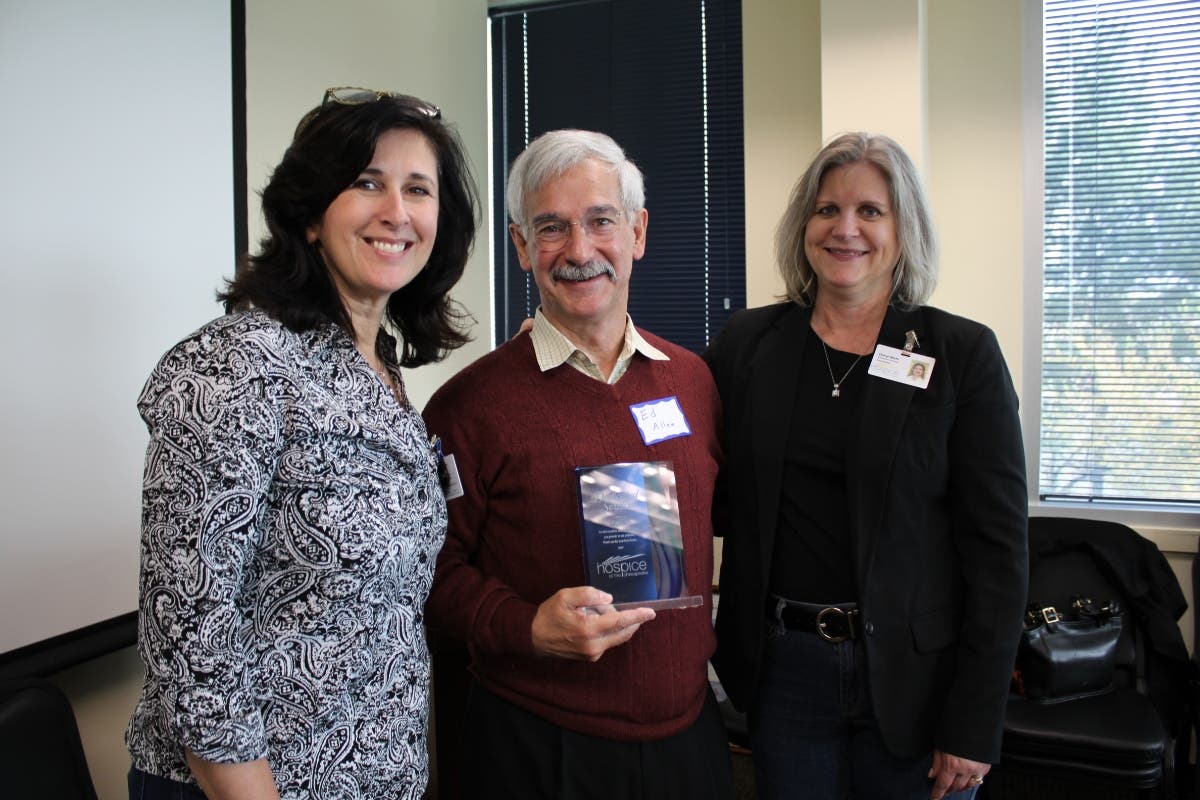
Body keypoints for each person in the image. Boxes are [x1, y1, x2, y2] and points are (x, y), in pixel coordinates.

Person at [124, 87, 479, 800]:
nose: (397, 212)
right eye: (366, 183)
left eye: (418, 189)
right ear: (312, 215)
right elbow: (190, 633)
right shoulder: (237, 363)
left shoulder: (382, 372)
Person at [705, 132, 1028, 800]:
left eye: (869, 212)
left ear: (903, 230)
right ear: (804, 227)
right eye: (827, 210)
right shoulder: (749, 344)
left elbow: (999, 553)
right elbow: (666, 412)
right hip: (785, 672)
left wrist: (975, 719)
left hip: (918, 682)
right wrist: (585, 336)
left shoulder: (959, 353)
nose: (844, 229)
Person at [422, 129, 733, 800]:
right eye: (552, 229)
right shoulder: (469, 407)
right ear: (522, 247)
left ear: (638, 232)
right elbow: (427, 576)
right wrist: (526, 626)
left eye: (600, 222)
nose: (580, 251)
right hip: (539, 746)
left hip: (690, 741)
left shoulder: (695, 383)